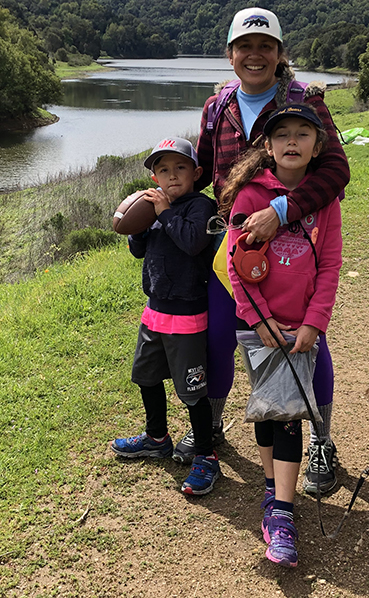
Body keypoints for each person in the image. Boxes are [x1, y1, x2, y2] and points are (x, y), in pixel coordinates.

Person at [174, 7, 351, 496]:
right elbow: (207, 171)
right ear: (231, 54)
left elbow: (337, 172)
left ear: (279, 54)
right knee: (219, 339)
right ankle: (208, 430)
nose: (255, 56)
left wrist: (283, 209)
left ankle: (321, 438)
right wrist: (169, 204)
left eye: (266, 47)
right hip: (234, 247)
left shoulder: (304, 100)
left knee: (303, 340)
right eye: (245, 47)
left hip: (295, 248)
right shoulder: (218, 105)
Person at [223, 101, 343, 567]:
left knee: (289, 413)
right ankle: (274, 492)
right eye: (282, 135)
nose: (292, 141)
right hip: (260, 328)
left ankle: (283, 514)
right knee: (270, 410)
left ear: (317, 148)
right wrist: (257, 319)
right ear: (268, 148)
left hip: (299, 331)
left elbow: (330, 264)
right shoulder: (250, 197)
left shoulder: (325, 201)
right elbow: (236, 264)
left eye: (303, 134)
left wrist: (315, 322)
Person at [110, 137, 221, 496]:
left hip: (188, 316)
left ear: (196, 172)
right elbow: (140, 250)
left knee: (192, 390)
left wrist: (163, 213)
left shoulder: (199, 207)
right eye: (163, 170)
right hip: (155, 311)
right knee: (146, 377)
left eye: (180, 168)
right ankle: (156, 437)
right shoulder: (156, 208)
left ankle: (206, 455)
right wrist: (136, 226)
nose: (171, 177)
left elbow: (192, 243)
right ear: (155, 177)